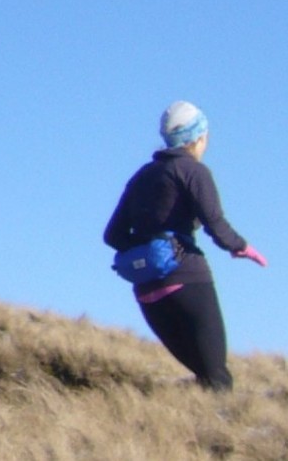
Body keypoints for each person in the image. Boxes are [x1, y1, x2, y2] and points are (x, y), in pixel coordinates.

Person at [103, 101, 268, 391]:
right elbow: (215, 224)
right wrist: (242, 247)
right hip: (186, 279)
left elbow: (112, 235)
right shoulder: (193, 171)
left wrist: (150, 248)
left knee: (204, 377)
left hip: (147, 291)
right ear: (198, 137)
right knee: (217, 377)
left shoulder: (141, 176)